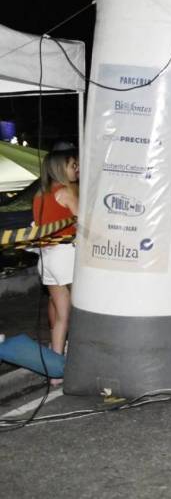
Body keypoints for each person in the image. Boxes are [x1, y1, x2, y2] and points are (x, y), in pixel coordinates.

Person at [33, 149, 79, 386]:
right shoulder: (65, 192)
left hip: (47, 258)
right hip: (65, 255)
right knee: (82, 310)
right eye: (73, 165)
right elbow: (85, 223)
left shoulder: (40, 195)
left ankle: (54, 372)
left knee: (61, 317)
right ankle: (83, 359)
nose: (77, 170)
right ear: (61, 168)